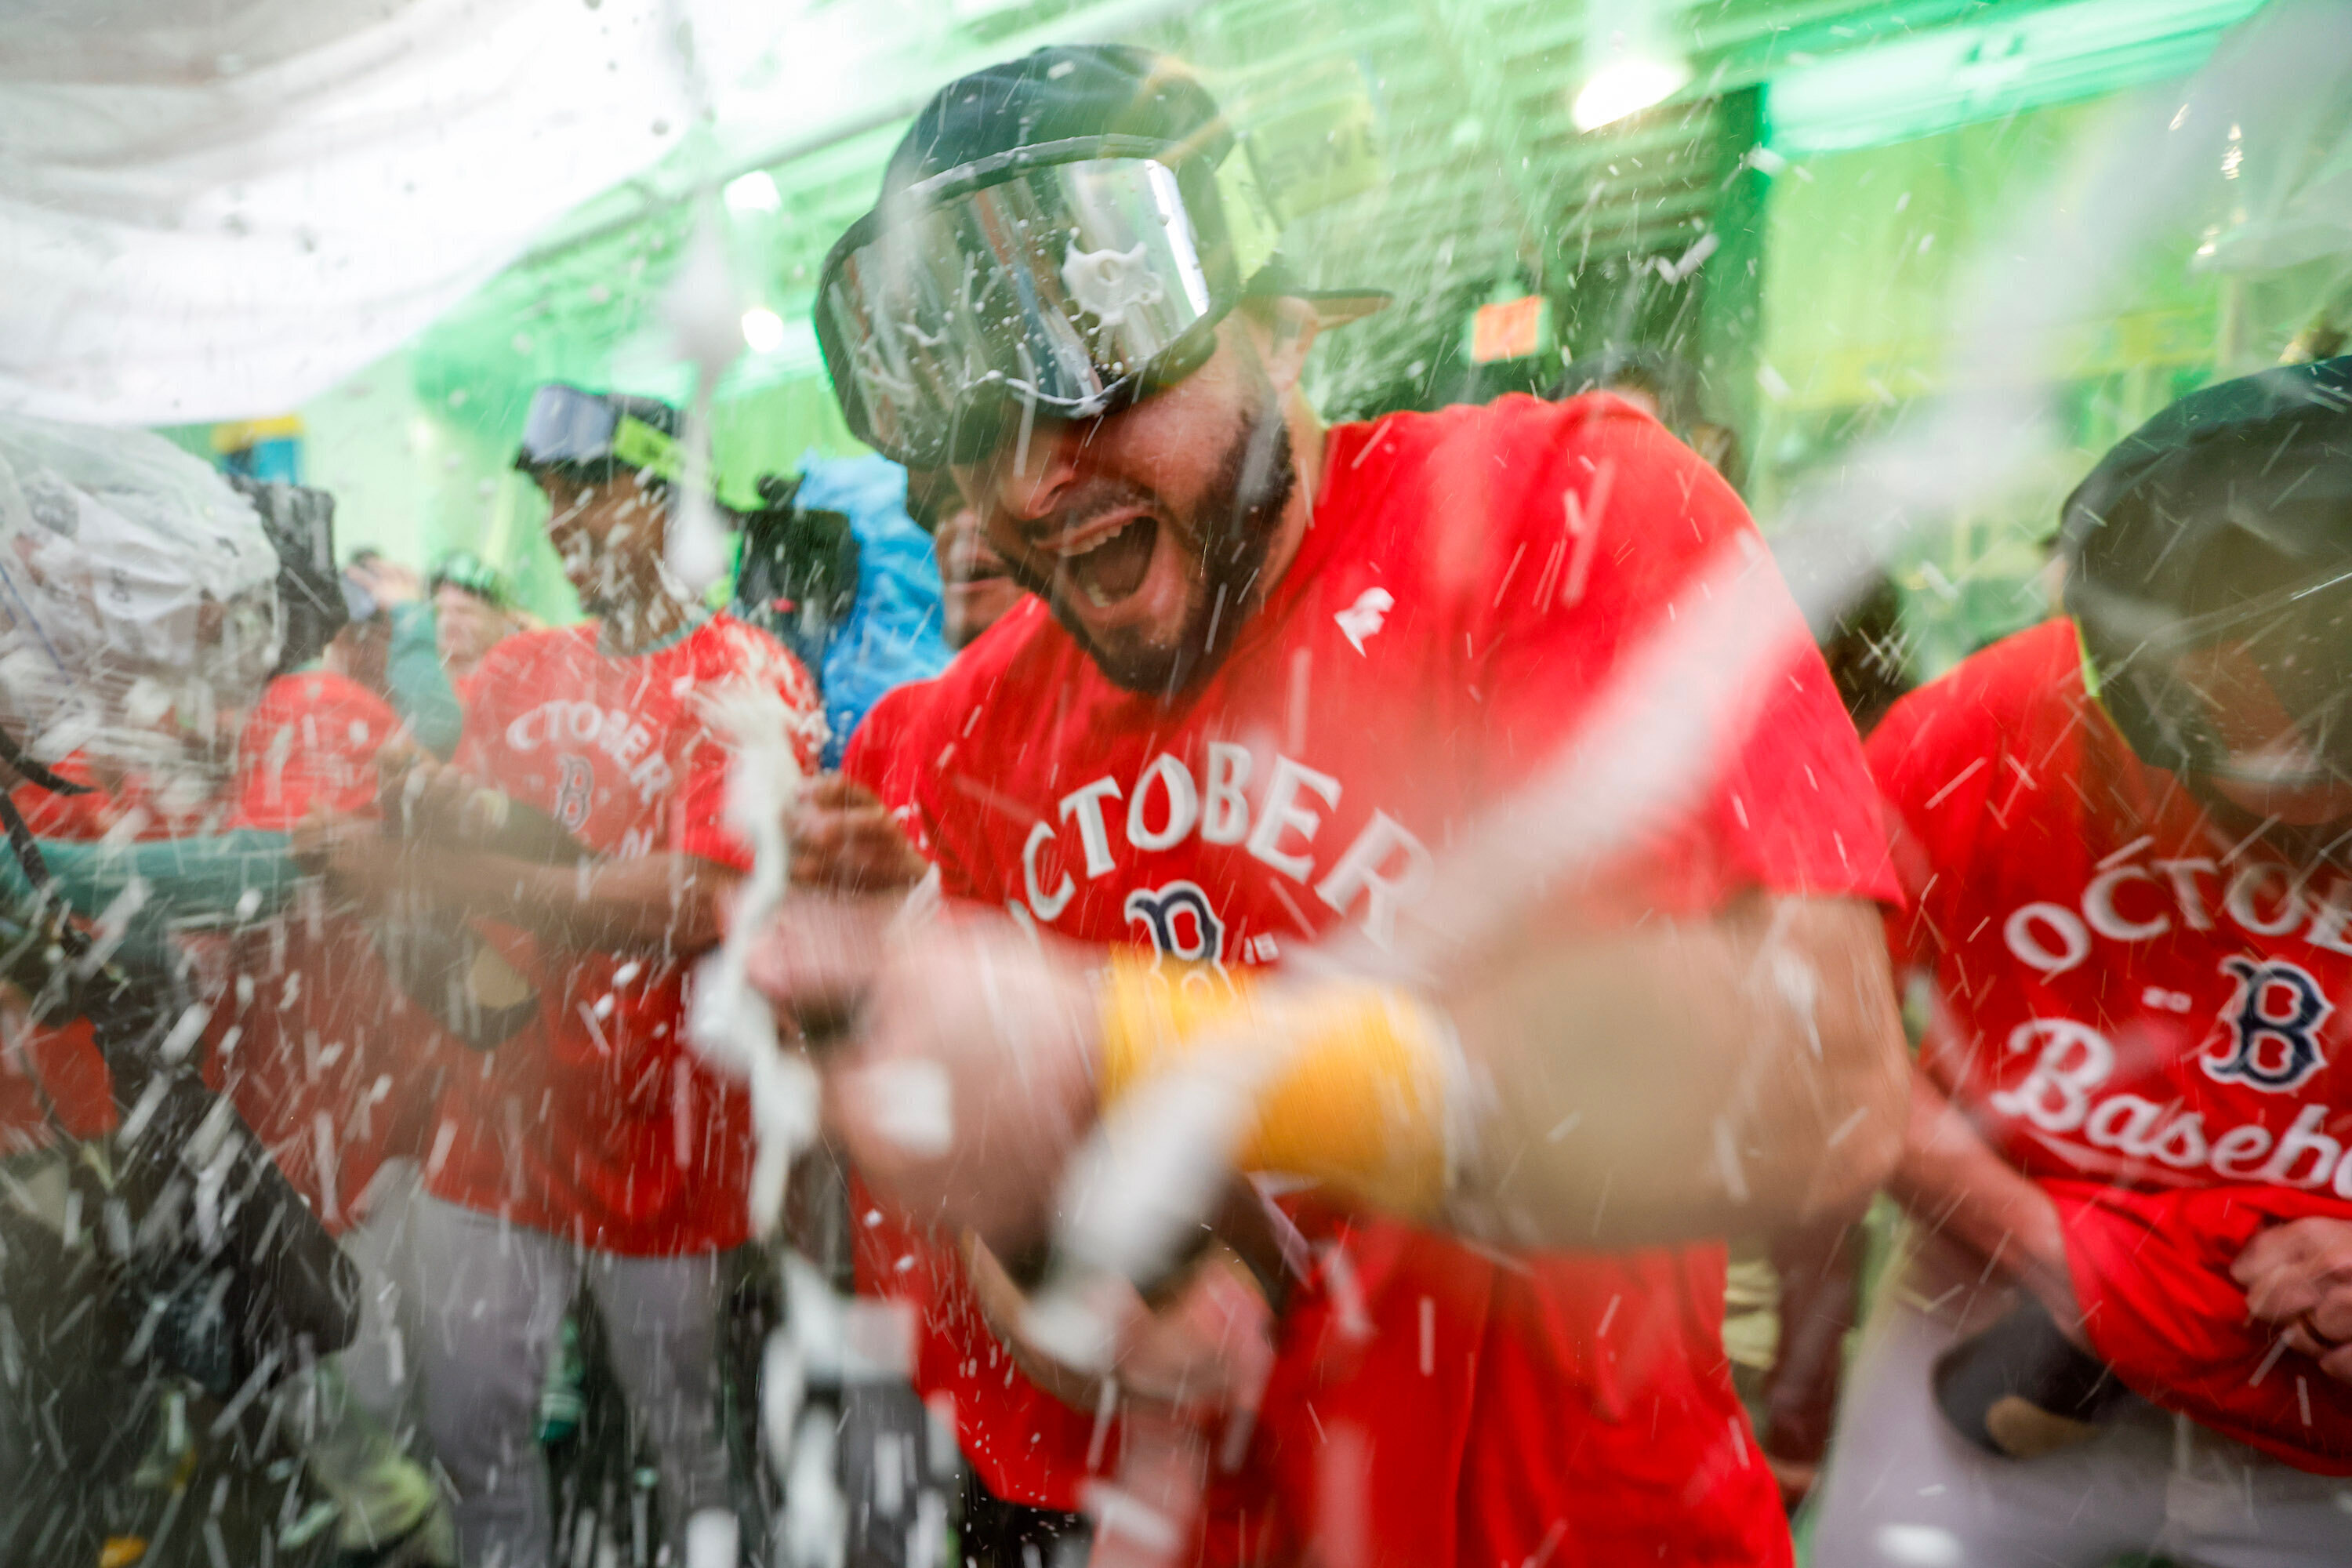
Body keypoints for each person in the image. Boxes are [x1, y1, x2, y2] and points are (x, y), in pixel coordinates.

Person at [760, 44, 1906, 1566]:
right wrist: (1058, 1265)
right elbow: (1024, 1280)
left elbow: (1816, 1084)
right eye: (979, 427)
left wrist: (1125, 1034)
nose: (1035, 485)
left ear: (1281, 326)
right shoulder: (945, 743)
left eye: (1101, 361)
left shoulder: (1559, 521)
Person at [1806, 358, 2352, 1565]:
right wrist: (2052, 1249)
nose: (2284, 787)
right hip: (1999, 1292)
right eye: (2219, 737)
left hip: (2318, 1397)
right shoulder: (1995, 727)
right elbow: (1807, 1019)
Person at [308, 383, 822, 1567]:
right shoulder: (524, 670)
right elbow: (443, 823)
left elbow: (699, 901)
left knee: (689, 1443)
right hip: (495, 1127)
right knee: (469, 1440)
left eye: (588, 493)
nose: (560, 525)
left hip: (664, 1139)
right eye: (548, 499)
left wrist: (461, 884)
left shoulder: (748, 678)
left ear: (666, 500)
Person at [427, 550, 522, 699]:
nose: (448, 621)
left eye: (464, 611)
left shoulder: (513, 685)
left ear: (502, 620)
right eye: (439, 611)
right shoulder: (424, 682)